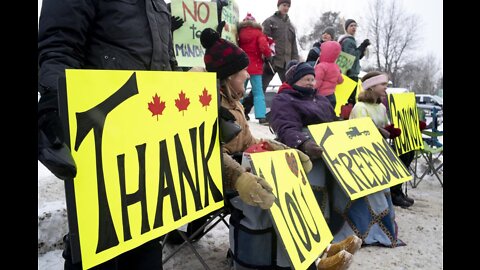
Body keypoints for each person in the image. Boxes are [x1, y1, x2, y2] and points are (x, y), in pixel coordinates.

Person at [200, 28, 355, 270]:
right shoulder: (208, 105)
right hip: (223, 179)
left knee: (291, 182)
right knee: (277, 194)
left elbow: (250, 141)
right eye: (243, 72)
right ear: (228, 76)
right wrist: (240, 178)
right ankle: (301, 264)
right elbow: (208, 155)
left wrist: (282, 150)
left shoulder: (234, 103)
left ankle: (318, 249)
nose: (247, 76)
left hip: (242, 168)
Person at [38, 0, 177, 269]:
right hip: (100, 134)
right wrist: (57, 101)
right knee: (98, 244)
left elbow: (167, 65)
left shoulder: (159, 3)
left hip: (149, 138)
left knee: (146, 244)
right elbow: (59, 45)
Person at [343, 71, 404, 247]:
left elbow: (384, 126)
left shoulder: (382, 107)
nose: (386, 87)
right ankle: (363, 229)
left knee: (381, 195)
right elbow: (361, 131)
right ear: (371, 86)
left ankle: (381, 228)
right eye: (383, 84)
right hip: (363, 156)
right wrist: (378, 132)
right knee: (369, 196)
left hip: (379, 154)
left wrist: (391, 131)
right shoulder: (360, 108)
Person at [242, 0, 299, 122]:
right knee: (260, 88)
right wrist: (267, 57)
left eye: (288, 6)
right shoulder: (270, 22)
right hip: (271, 62)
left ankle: (293, 113)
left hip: (286, 63)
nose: (286, 8)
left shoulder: (291, 26)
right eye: (284, 5)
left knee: (290, 88)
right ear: (278, 6)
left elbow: (294, 45)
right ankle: (245, 109)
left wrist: (295, 61)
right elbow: (262, 40)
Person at [238, 13, 272, 125]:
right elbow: (264, 47)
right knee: (258, 92)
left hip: (242, 66)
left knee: (240, 91)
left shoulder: (238, 33)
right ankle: (261, 116)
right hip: (256, 67)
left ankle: (239, 114)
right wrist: (268, 55)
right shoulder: (259, 33)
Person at [337, 19, 370, 106]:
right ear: (347, 28)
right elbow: (353, 56)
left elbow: (356, 57)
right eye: (351, 26)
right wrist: (363, 46)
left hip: (350, 72)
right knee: (350, 100)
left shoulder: (350, 40)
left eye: (355, 26)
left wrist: (362, 50)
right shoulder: (348, 40)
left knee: (349, 98)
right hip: (350, 73)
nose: (354, 27)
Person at [314, 41, 344, 109]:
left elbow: (316, 82)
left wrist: (310, 90)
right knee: (329, 115)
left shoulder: (321, 66)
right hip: (332, 96)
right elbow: (340, 80)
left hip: (321, 97)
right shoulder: (336, 67)